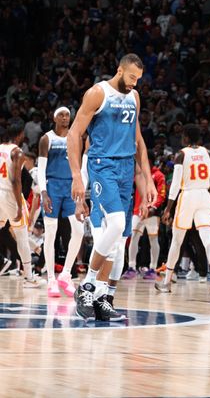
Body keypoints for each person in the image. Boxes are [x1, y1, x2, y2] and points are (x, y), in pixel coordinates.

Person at [69, 54, 157, 321]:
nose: (134, 83)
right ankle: (86, 285)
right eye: (131, 77)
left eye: (138, 79)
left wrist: (148, 178)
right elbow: (75, 133)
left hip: (126, 168)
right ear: (120, 70)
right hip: (102, 164)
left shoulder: (135, 97)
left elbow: (138, 139)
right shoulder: (98, 93)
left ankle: (103, 297)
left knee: (118, 243)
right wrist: (76, 175)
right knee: (116, 224)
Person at [156, 124, 210, 295]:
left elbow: (176, 184)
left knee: (177, 241)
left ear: (185, 137)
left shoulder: (182, 154)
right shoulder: (207, 153)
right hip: (204, 196)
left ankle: (167, 282)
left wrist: (168, 208)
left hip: (188, 196)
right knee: (207, 240)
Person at [38, 107, 84, 297]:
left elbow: (79, 167)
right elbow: (40, 169)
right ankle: (50, 279)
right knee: (51, 233)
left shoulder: (75, 138)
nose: (65, 118)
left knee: (79, 230)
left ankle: (65, 274)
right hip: (52, 187)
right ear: (54, 117)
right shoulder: (46, 138)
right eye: (61, 115)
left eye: (67, 115)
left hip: (70, 187)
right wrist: (43, 192)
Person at [0, 123, 39, 288]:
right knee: (22, 236)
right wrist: (18, 205)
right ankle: (29, 277)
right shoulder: (17, 152)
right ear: (21, 135)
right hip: (10, 195)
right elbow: (16, 180)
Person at [125, 152, 166, 279]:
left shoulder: (159, 175)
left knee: (153, 240)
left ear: (151, 161)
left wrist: (153, 207)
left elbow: (162, 194)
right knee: (134, 238)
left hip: (152, 213)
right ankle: (132, 267)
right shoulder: (138, 174)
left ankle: (153, 268)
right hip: (138, 211)